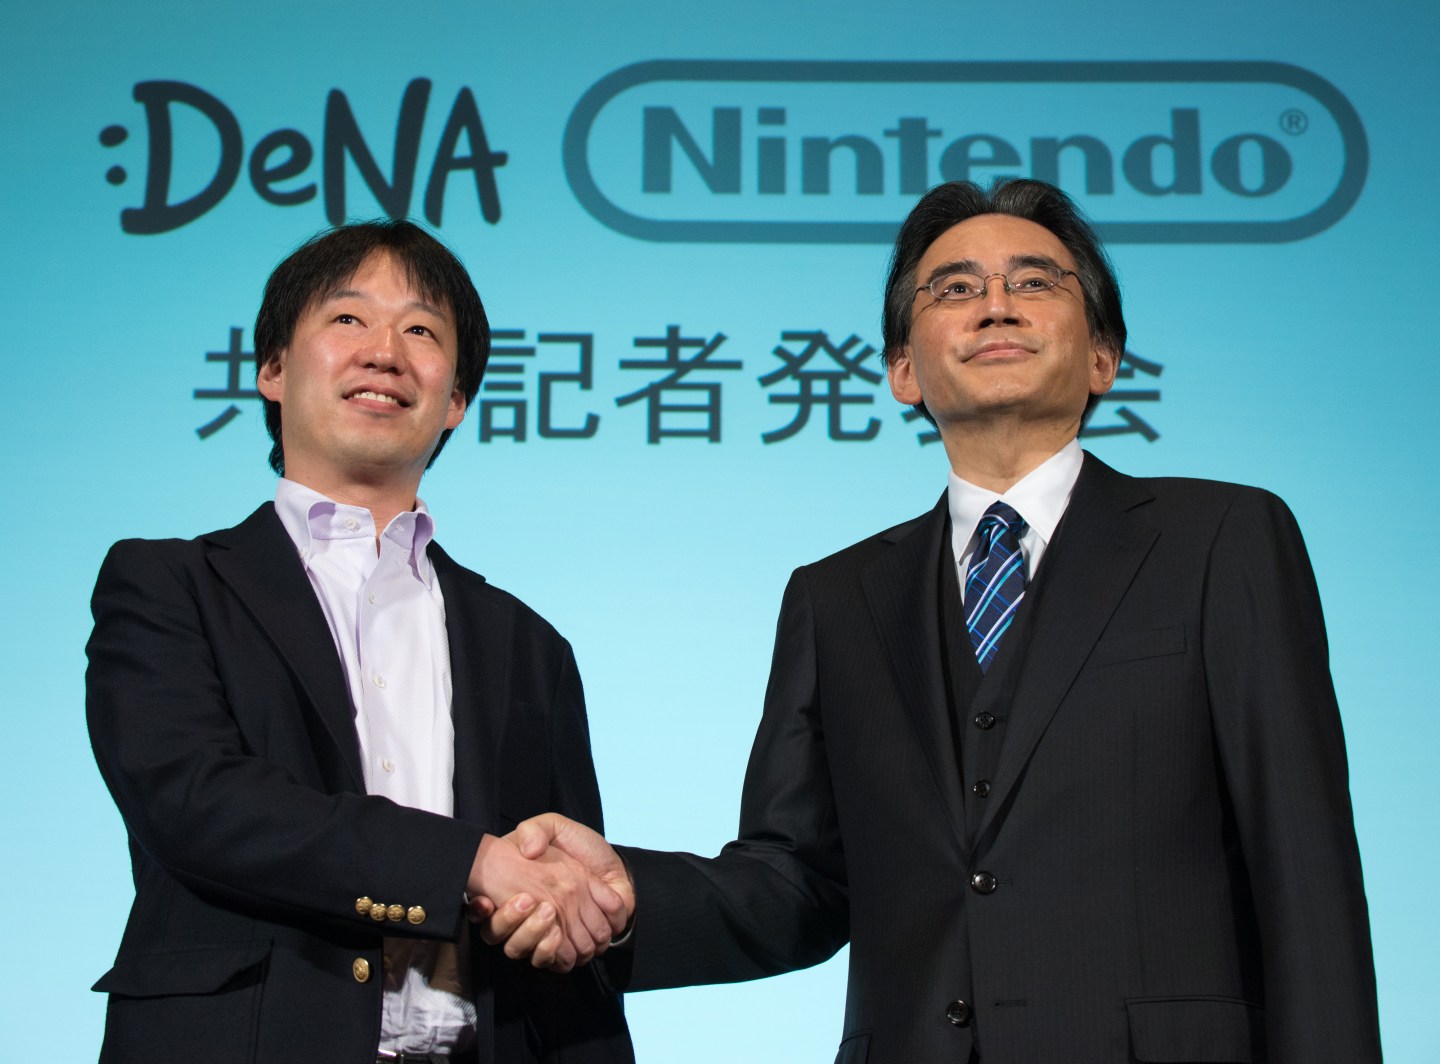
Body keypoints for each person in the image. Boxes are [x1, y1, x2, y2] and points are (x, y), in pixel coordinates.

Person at [489, 179, 1382, 1063]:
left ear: (1104, 358)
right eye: (954, 288)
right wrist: (627, 894)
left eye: (1035, 282)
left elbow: (1303, 869)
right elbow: (798, 882)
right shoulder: (835, 598)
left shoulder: (1222, 538)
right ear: (903, 372)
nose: (996, 304)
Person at [85, 220, 634, 1064]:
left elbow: (559, 912)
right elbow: (194, 801)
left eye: (422, 331)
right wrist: (468, 863)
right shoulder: (169, 586)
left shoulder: (529, 645)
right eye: (348, 319)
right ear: (273, 370)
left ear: (455, 400)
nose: (385, 353)